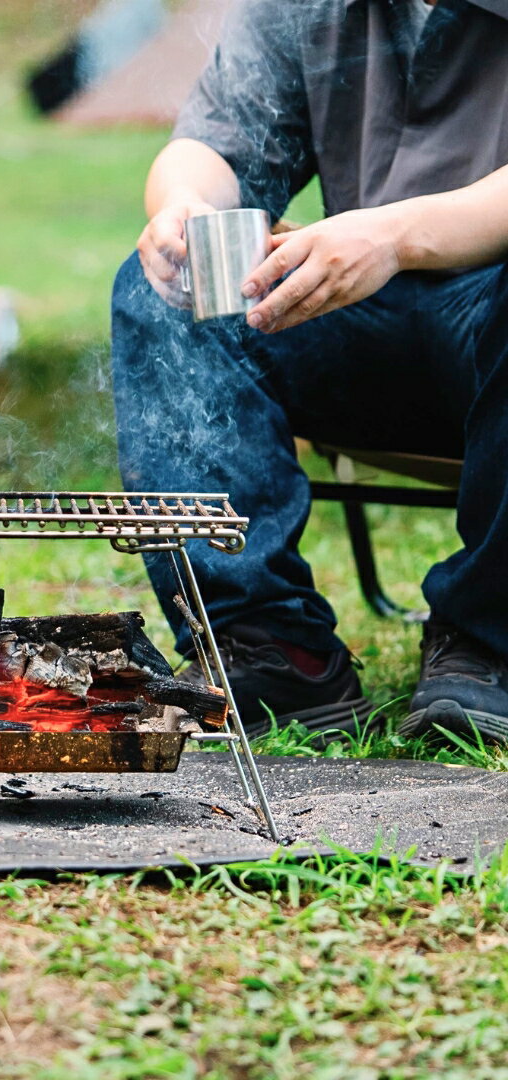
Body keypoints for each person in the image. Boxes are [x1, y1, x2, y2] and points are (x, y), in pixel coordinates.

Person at [112, 0, 508, 742]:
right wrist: (183, 208)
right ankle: (269, 644)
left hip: (492, 311)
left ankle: (492, 641)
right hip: (364, 324)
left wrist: (394, 235)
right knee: (163, 291)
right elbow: (217, 143)